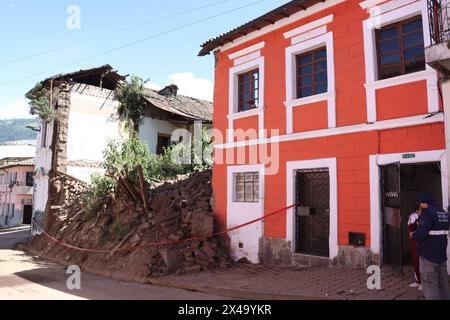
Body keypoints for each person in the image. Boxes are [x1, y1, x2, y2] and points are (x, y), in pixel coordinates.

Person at [412, 193, 450, 300]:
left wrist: (414, 235)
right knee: (443, 285)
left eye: (421, 202)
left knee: (430, 285)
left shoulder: (427, 214)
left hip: (428, 255)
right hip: (441, 256)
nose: (420, 204)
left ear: (425, 203)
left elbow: (421, 233)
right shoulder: (444, 214)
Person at [408, 203, 422, 290]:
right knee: (416, 261)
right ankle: (418, 281)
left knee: (422, 261)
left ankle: (423, 282)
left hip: (421, 241)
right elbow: (411, 231)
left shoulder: (425, 216)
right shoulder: (413, 217)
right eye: (421, 209)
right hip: (416, 241)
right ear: (417, 210)